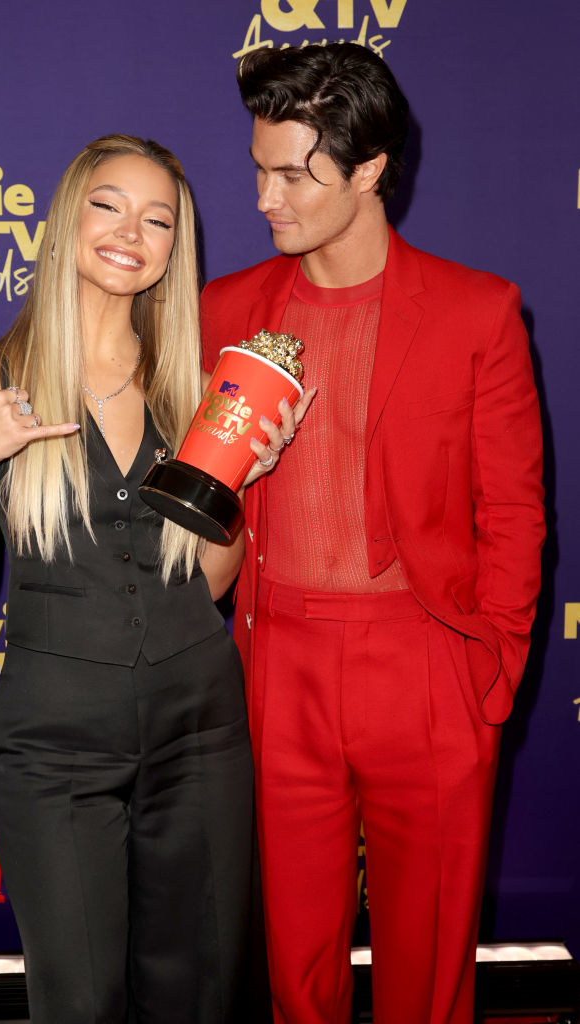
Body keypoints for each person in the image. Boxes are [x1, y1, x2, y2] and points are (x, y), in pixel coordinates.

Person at [201, 44, 545, 1024]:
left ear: (367, 168)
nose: (265, 196)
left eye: (293, 174)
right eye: (259, 167)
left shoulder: (477, 313)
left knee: (426, 972)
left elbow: (514, 511)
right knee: (293, 970)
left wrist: (488, 674)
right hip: (278, 668)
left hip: (429, 661)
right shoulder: (224, 310)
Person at [0, 133, 284, 1024]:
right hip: (55, 745)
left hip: (200, 730)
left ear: (173, 250)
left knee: (200, 994)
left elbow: (208, 582)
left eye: (158, 219)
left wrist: (239, 483)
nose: (132, 231)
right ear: (65, 219)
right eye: (109, 205)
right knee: (79, 998)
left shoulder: (199, 387)